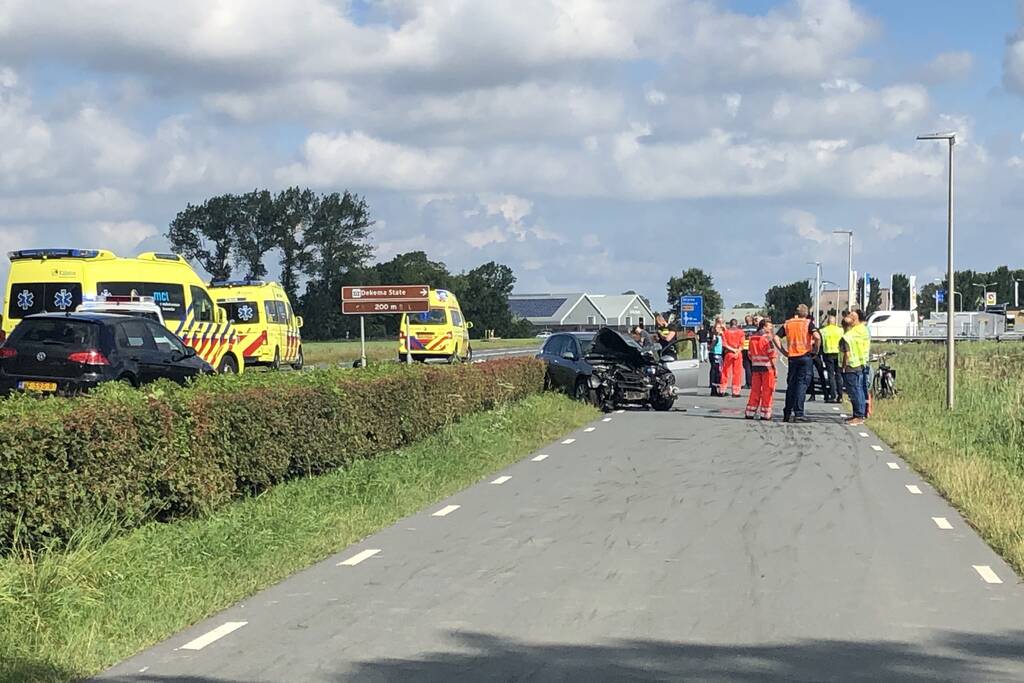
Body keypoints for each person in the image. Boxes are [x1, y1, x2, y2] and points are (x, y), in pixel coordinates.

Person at [776, 303, 821, 423]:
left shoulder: (788, 323)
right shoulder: (807, 323)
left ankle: (787, 412)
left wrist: (783, 351)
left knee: (791, 385)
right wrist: (815, 350)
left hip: (792, 357)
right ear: (806, 313)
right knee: (801, 385)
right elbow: (817, 337)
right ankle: (799, 413)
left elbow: (776, 337)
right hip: (805, 356)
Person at [840, 309, 871, 426]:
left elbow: (847, 353)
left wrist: (844, 366)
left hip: (852, 364)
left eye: (850, 315)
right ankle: (859, 414)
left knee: (855, 391)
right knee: (859, 390)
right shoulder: (862, 330)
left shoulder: (849, 335)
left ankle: (858, 415)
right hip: (861, 362)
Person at [745, 318, 777, 420]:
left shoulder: (752, 338)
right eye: (769, 326)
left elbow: (749, 354)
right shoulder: (767, 339)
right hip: (767, 368)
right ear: (764, 326)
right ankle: (765, 413)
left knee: (755, 390)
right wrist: (774, 368)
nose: (771, 328)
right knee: (767, 390)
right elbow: (772, 354)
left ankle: (750, 412)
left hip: (755, 367)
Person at [819, 314, 844, 403]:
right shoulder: (840, 330)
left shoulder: (823, 331)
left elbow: (820, 342)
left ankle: (833, 395)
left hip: (828, 353)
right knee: (839, 374)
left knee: (831, 375)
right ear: (835, 322)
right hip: (838, 353)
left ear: (827, 322)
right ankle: (840, 395)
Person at [719, 318, 745, 397]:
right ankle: (735, 391)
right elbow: (742, 344)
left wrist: (732, 350)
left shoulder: (726, 332)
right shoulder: (741, 332)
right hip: (738, 354)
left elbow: (724, 344)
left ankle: (722, 390)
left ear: (730, 324)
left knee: (725, 372)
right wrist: (737, 351)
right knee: (737, 373)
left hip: (729, 353)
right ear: (736, 324)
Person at [741, 315, 757, 389]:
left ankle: (748, 383)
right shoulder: (756, 329)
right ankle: (754, 382)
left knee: (747, 366)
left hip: (745, 347)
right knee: (753, 366)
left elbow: (741, 338)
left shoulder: (743, 329)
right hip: (753, 348)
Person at [709, 320, 724, 396]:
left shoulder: (721, 336)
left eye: (719, 328)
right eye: (717, 328)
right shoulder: (715, 336)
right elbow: (711, 346)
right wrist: (712, 344)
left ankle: (716, 389)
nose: (718, 329)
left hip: (719, 354)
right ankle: (714, 389)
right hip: (715, 354)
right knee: (716, 372)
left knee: (718, 372)